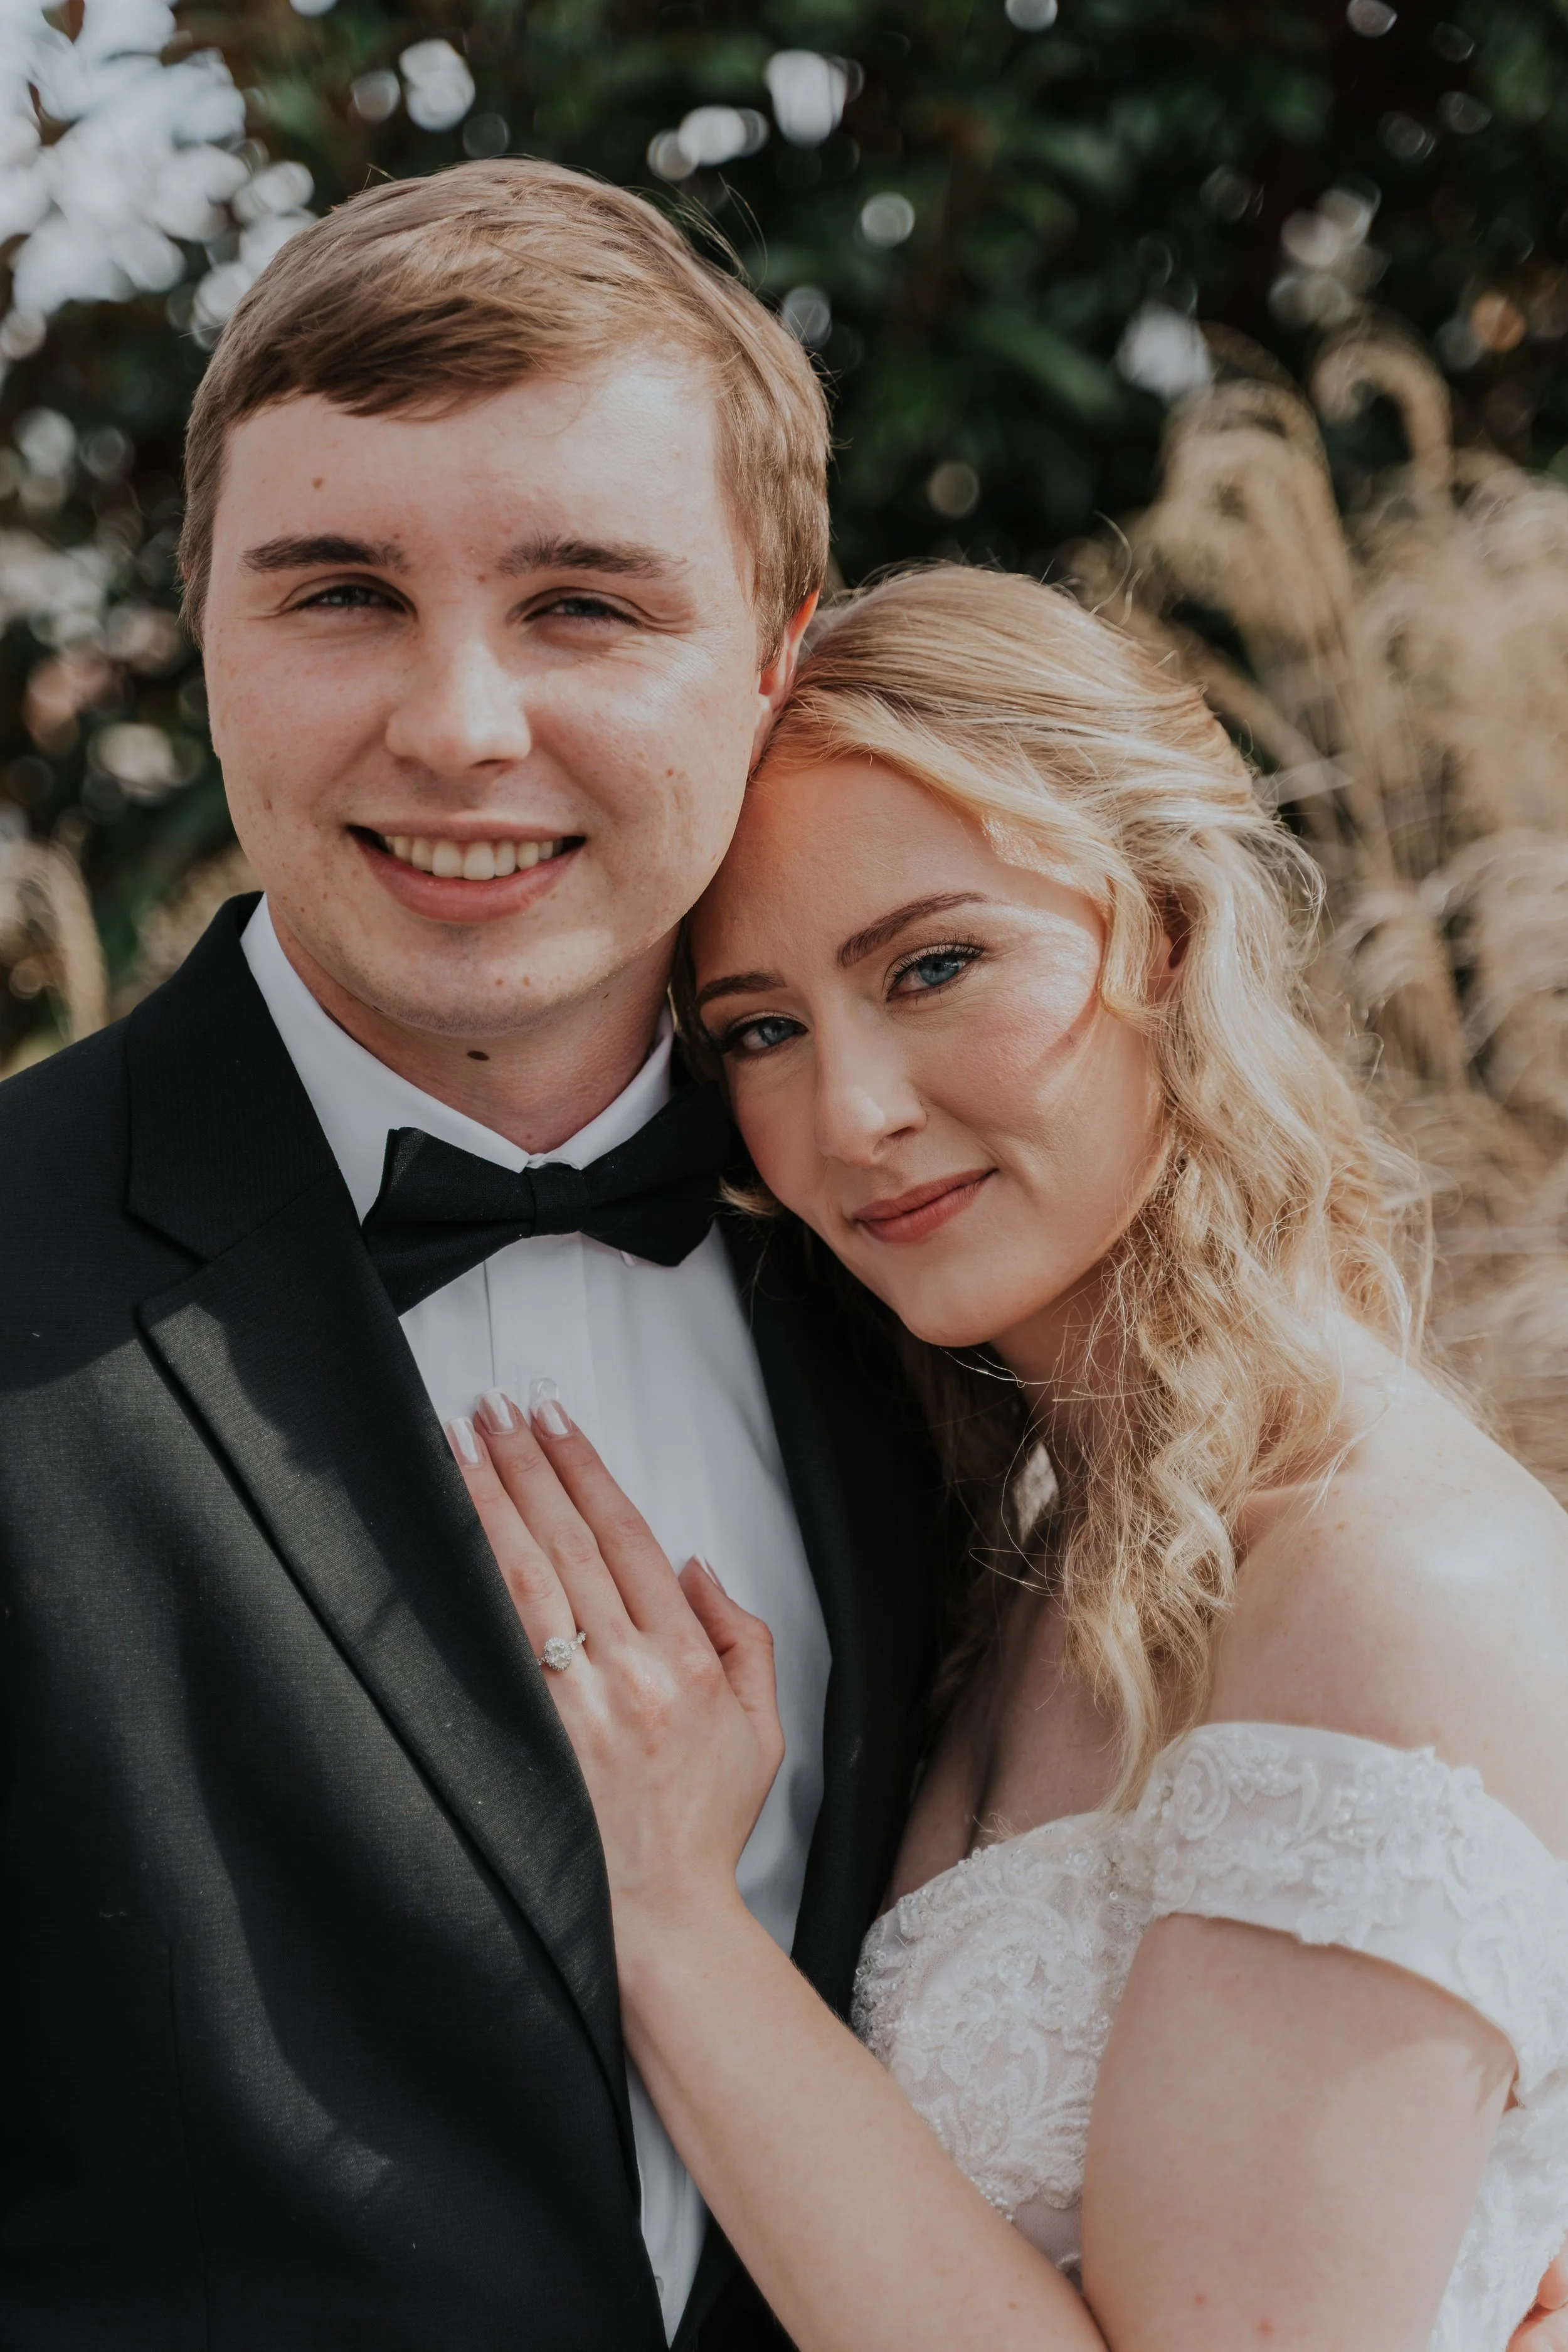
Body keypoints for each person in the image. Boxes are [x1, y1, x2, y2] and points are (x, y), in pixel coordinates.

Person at [0, 162, 952, 2349]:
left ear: (772, 663)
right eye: (336, 591)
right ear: (206, 632)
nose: (455, 726)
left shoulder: (940, 1281)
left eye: (584, 605)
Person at [447, 564, 1568, 2352]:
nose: (852, 1113)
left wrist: (666, 1913)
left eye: (936, 963)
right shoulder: (1015, 1543)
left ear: (1170, 933)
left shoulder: (1382, 1580)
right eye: (760, 1029)